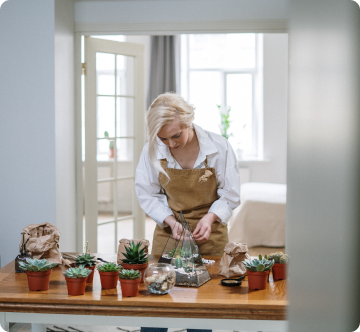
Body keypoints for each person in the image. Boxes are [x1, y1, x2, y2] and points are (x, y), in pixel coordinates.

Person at [135, 92, 240, 332]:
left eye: (176, 136)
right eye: (163, 139)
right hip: (170, 230)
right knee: (157, 302)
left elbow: (231, 193)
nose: (171, 144)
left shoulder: (218, 147)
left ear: (188, 122)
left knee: (203, 304)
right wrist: (170, 221)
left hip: (210, 232)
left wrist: (211, 217)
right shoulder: (151, 150)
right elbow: (148, 194)